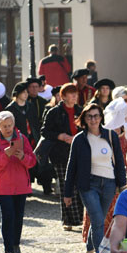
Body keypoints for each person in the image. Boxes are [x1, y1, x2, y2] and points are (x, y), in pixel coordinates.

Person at [64, 100, 127, 253]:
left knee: (98, 219)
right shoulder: (79, 139)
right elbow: (71, 167)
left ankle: (89, 250)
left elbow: (119, 162)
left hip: (109, 184)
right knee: (98, 220)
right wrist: (67, 192)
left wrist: (122, 185)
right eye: (89, 116)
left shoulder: (111, 136)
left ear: (101, 117)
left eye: (96, 116)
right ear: (84, 119)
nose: (93, 119)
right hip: (88, 185)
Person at [0, 111, 37, 253]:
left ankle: (16, 245)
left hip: (21, 185)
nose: (8, 129)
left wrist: (23, 157)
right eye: (4, 126)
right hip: (3, 186)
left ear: (13, 124)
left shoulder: (22, 138)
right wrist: (6, 155)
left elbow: (32, 162)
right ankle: (8, 251)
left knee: (18, 217)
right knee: (8, 217)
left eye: (9, 125)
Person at [41, 83, 85, 230]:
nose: (74, 96)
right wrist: (60, 136)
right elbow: (45, 131)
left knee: (79, 185)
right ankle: (67, 220)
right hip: (60, 154)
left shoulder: (81, 111)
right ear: (64, 96)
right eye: (71, 94)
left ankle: (79, 218)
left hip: (79, 153)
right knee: (66, 185)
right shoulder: (54, 112)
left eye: (76, 94)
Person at [6, 81, 39, 148]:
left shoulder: (31, 106)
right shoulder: (10, 109)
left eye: (27, 92)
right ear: (18, 93)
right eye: (23, 92)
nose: (26, 94)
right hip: (17, 141)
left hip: (32, 140)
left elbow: (36, 123)